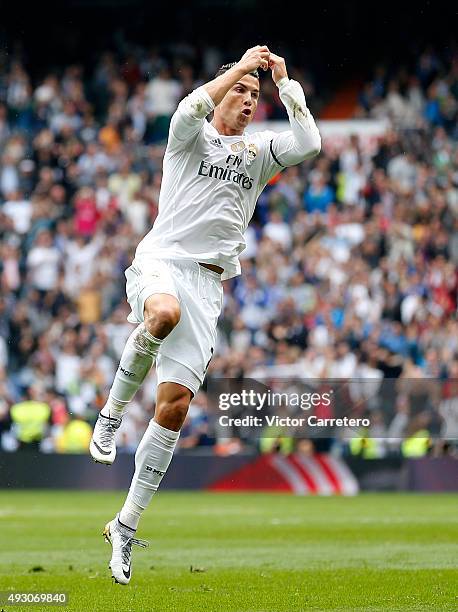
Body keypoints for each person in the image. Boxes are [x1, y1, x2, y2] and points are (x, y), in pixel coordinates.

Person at [89, 44, 321, 584]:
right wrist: (239, 68)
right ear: (221, 92)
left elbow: (309, 141)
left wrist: (284, 83)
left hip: (208, 285)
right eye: (239, 90)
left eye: (253, 95)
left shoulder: (260, 152)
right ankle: (110, 414)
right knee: (161, 313)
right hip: (163, 261)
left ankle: (125, 526)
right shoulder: (190, 138)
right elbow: (187, 110)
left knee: (173, 409)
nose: (246, 99)